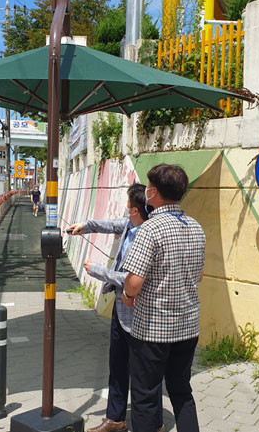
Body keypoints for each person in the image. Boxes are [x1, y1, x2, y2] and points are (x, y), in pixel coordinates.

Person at [67, 184, 163, 432]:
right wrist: (84, 226)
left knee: (144, 372)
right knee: (117, 365)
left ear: (134, 210)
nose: (125, 207)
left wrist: (96, 270)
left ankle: (154, 423)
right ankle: (115, 419)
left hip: (140, 313)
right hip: (120, 310)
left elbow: (129, 279)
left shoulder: (147, 237)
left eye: (127, 204)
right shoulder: (130, 224)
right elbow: (108, 225)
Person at [123, 164, 205, 432]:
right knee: (181, 390)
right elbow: (199, 276)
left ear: (154, 192)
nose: (146, 191)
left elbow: (134, 283)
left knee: (145, 394)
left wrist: (126, 294)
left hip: (152, 331)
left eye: (148, 187)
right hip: (188, 327)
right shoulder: (196, 227)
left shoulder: (150, 229)